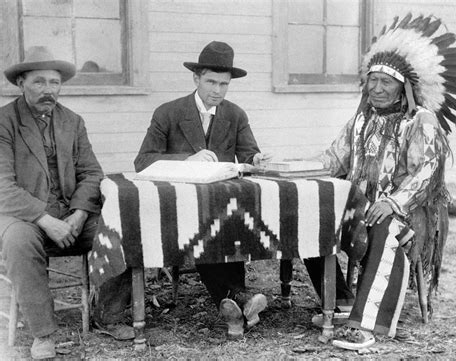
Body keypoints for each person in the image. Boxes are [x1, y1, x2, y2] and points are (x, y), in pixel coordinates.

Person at [306, 13, 456, 350]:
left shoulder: (419, 121)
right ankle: (341, 300)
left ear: (404, 87)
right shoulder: (360, 121)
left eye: (387, 82)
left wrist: (393, 201)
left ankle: (367, 326)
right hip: (359, 205)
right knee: (311, 217)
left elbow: (425, 173)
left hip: (408, 211)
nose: (377, 89)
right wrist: (291, 169)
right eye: (373, 81)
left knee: (386, 225)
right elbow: (334, 159)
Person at [0, 46, 133, 360]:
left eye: (55, 82)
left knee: (120, 227)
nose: (49, 90)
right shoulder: (4, 122)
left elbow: (91, 173)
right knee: (20, 241)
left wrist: (78, 215)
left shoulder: (72, 121)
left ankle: (108, 315)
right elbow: (2, 186)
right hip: (22, 218)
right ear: (21, 83)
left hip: (69, 214)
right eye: (39, 82)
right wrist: (46, 221)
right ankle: (43, 334)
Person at [134, 41, 271, 339]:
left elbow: (249, 156)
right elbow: (142, 161)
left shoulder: (235, 115)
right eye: (211, 81)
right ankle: (240, 297)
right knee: (207, 228)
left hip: (220, 206)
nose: (218, 90)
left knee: (226, 224)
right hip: (178, 209)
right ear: (196, 79)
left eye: (224, 84)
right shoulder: (168, 113)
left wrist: (256, 160)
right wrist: (186, 160)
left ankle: (235, 305)